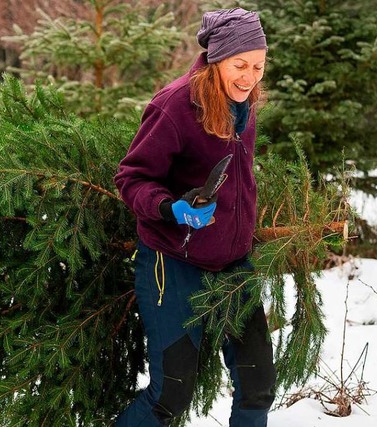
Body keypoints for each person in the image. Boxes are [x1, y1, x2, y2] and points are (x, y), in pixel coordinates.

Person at [114, 8, 276, 427]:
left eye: (258, 66)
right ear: (217, 59)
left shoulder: (244, 103)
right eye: (240, 65)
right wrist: (172, 208)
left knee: (258, 386)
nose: (249, 76)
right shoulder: (175, 105)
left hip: (233, 265)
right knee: (170, 394)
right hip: (173, 262)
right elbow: (132, 177)